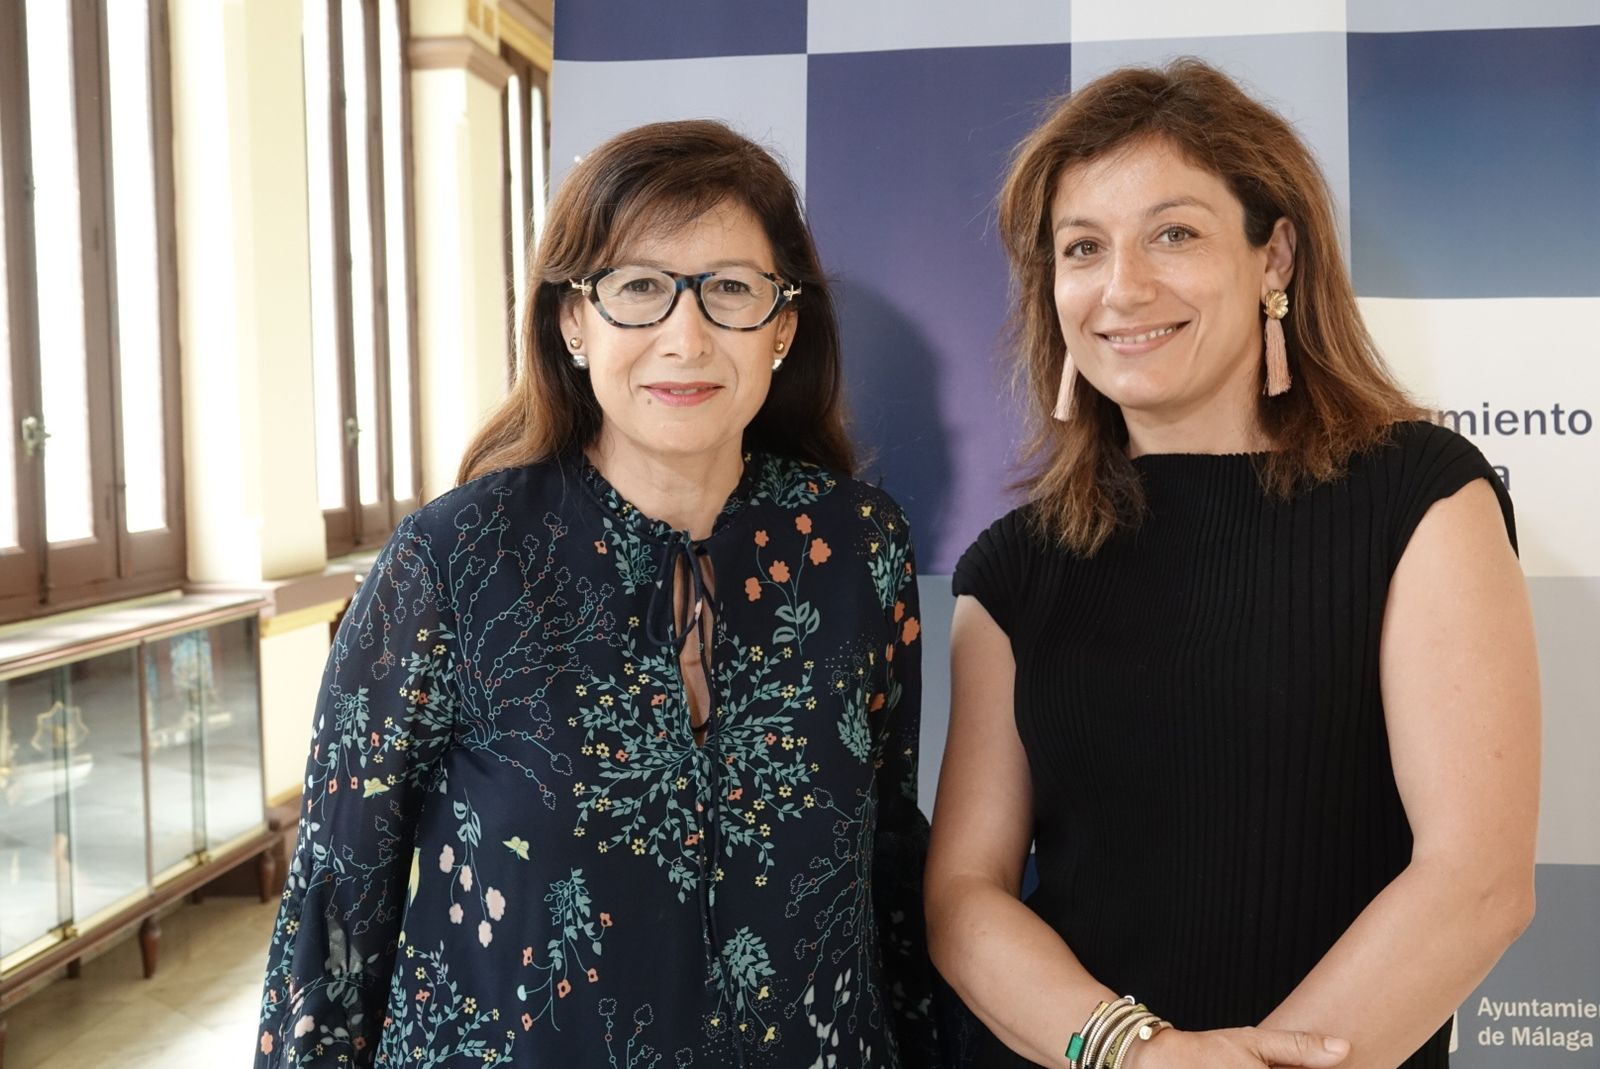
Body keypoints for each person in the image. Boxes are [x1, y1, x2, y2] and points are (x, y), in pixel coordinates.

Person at [257, 120, 939, 1068]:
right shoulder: (455, 559)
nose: (686, 335)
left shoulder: (859, 544)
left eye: (730, 289)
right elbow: (338, 901)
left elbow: (888, 865)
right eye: (638, 289)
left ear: (784, 324)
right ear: (573, 320)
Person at [924, 59, 1539, 1069]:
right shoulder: (1011, 570)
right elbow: (963, 899)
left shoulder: (1422, 494)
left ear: (1275, 256)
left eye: (1173, 233)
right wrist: (1137, 1052)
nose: (1123, 286)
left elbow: (1475, 879)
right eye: (1083, 248)